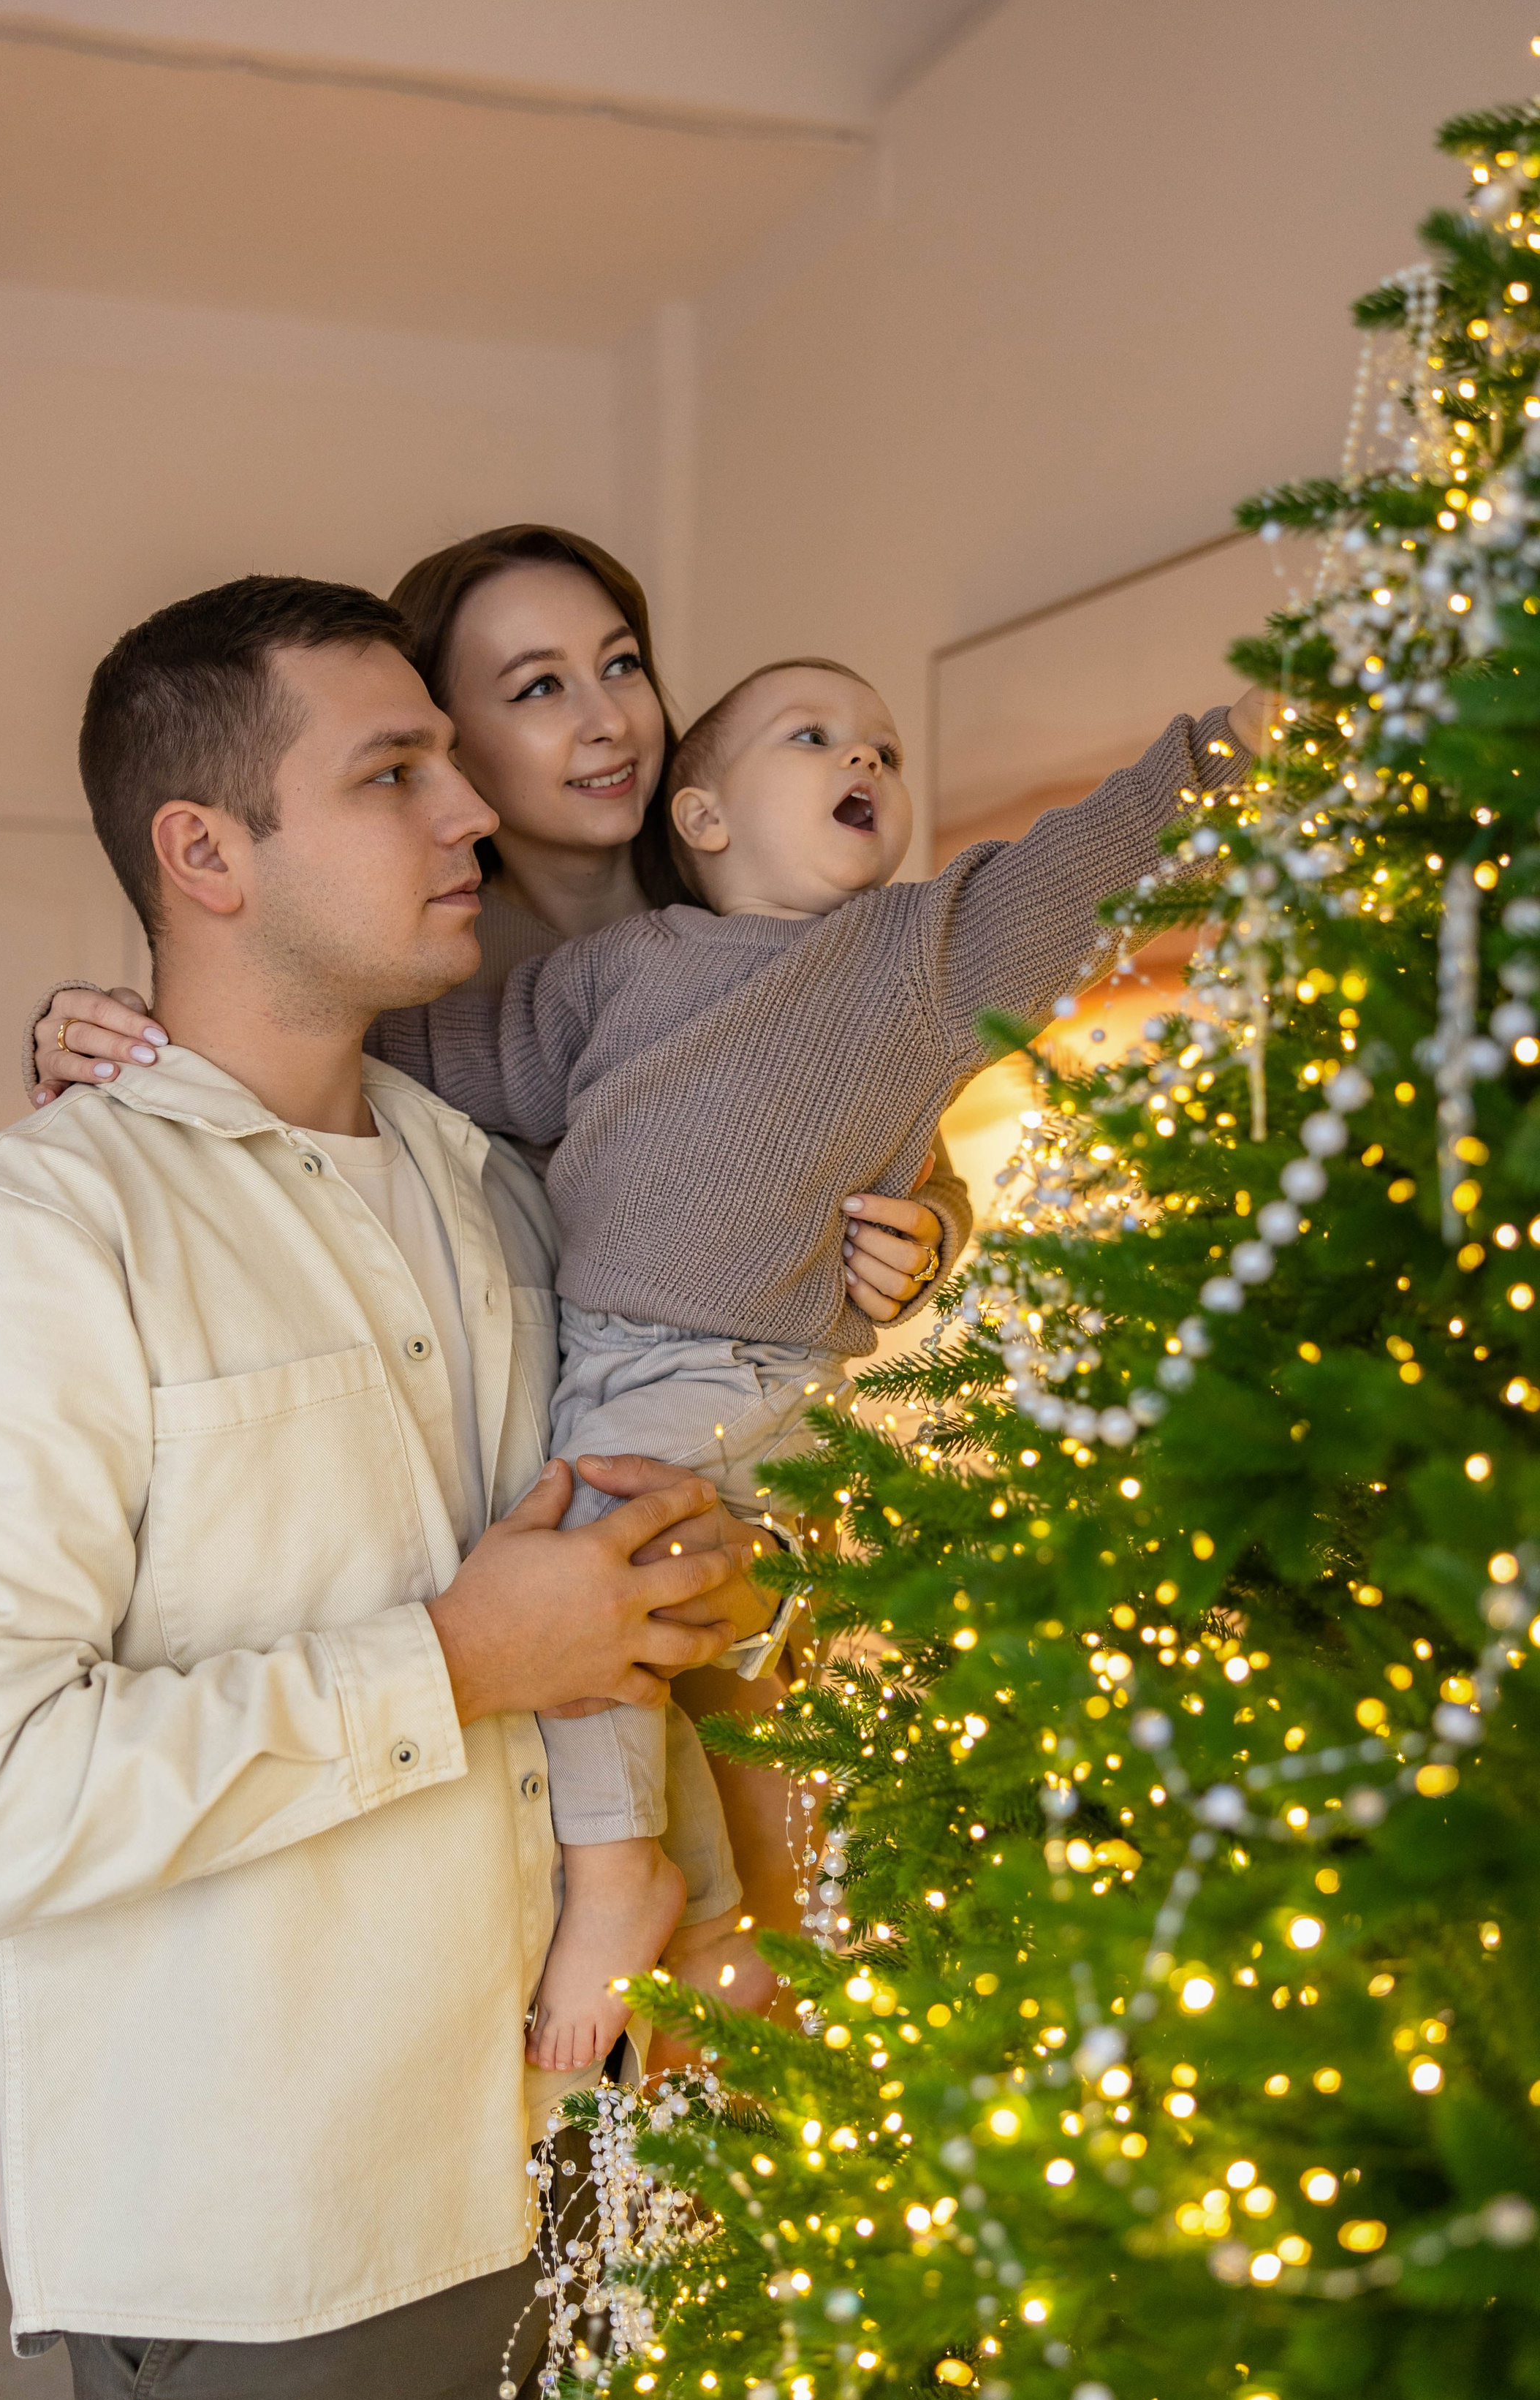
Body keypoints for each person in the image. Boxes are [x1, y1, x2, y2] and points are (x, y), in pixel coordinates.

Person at [0, 575, 773, 2400]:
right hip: (293, 2243)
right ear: (205, 854)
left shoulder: (505, 1195)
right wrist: (454, 1662)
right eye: (394, 772)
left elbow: (649, 1546)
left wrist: (720, 1577)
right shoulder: (21, 1244)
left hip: (603, 2142)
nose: (473, 811)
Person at [25, 525, 973, 2038]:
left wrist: (930, 1226)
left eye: (621, 665)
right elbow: (252, 1071)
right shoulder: (401, 965)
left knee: (775, 1922)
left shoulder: (770, 900)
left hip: (721, 1460)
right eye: (534, 688)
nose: (605, 720)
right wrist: (113, 1035)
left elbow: (899, 1110)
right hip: (505, 1513)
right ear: (440, 734)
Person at [375, 653, 1271, 2063]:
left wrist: (1232, 746)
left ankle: (619, 1878)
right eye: (815, 737)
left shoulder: (913, 953)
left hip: (738, 1375)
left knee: (589, 1579)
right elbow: (424, 1056)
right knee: (641, 1624)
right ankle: (719, 1930)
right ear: (705, 816)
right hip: (603, 1366)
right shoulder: (613, 973)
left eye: (886, 750)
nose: (867, 761)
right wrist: (157, 1035)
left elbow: (1074, 869)